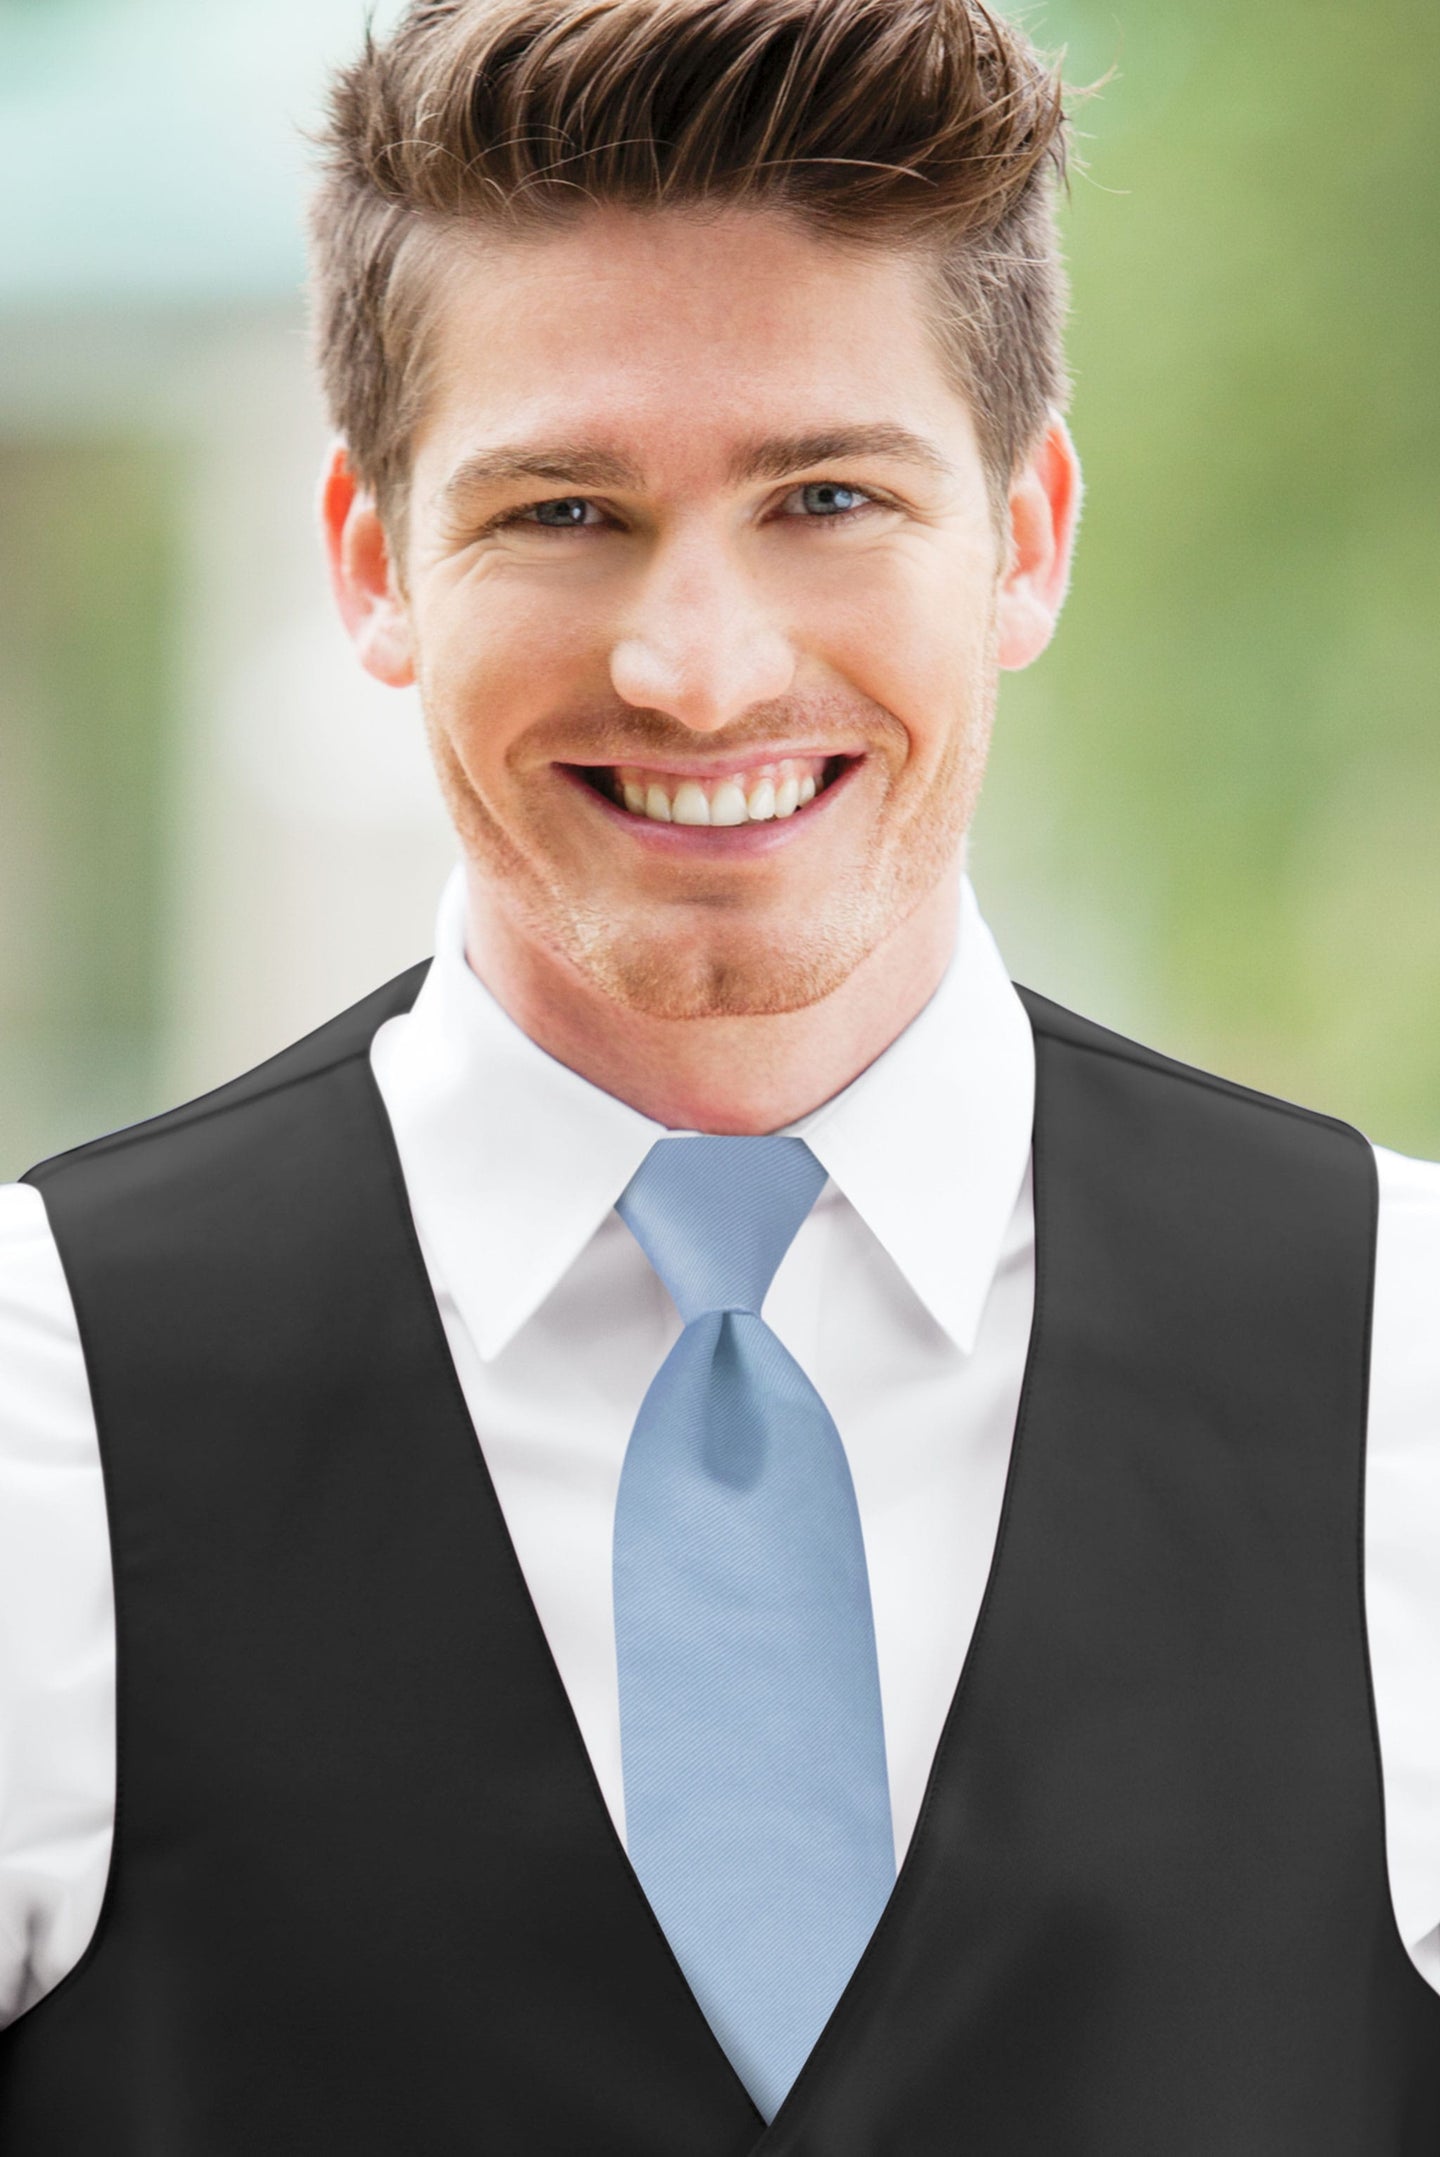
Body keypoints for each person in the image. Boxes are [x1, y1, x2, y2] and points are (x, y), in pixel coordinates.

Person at [0, 0, 1437, 2145]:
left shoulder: (1416, 1355)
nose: (699, 667)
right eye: (564, 509)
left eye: (830, 494)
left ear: (1027, 535)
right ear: (373, 558)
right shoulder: (30, 1400)